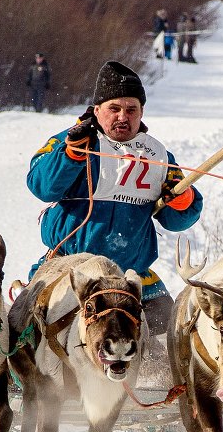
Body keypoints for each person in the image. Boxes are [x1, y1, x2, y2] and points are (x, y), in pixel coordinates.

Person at [27, 60, 203, 338]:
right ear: (97, 111)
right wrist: (70, 156)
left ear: (141, 112)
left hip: (133, 275)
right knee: (25, 333)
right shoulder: (70, 141)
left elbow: (180, 218)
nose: (123, 117)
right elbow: (41, 185)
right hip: (71, 268)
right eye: (114, 108)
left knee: (176, 338)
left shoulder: (157, 155)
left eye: (131, 109)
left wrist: (181, 201)